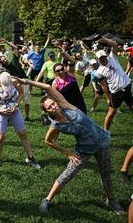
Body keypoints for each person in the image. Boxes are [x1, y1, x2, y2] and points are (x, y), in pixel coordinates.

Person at [14, 77, 125, 215]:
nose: (54, 107)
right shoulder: (56, 125)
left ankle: (111, 200)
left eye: (53, 104)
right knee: (68, 174)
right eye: (49, 107)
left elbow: (48, 88)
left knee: (106, 173)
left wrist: (26, 81)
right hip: (83, 150)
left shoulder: (65, 105)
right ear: (46, 111)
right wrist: (68, 153)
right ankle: (47, 199)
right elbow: (48, 141)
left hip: (101, 142)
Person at [0, 72, 40, 169]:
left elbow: (21, 93)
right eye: (5, 85)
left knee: (22, 133)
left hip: (14, 110)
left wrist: (16, 105)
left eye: (8, 84)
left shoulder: (15, 82)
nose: (7, 86)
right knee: (0, 136)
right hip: (1, 112)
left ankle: (31, 157)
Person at [95, 37, 133, 131]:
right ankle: (105, 131)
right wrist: (108, 97)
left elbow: (114, 44)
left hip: (127, 87)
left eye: (104, 57)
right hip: (116, 92)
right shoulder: (99, 71)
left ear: (106, 56)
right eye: (100, 58)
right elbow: (103, 85)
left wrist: (102, 38)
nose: (103, 59)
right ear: (98, 60)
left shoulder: (112, 57)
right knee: (112, 111)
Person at [0, 38, 32, 121]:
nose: (4, 60)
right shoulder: (5, 70)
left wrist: (5, 42)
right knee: (14, 101)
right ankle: (10, 115)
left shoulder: (14, 59)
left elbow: (15, 48)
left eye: (4, 58)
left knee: (27, 102)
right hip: (16, 84)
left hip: (24, 81)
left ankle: (27, 117)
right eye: (2, 60)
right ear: (2, 63)